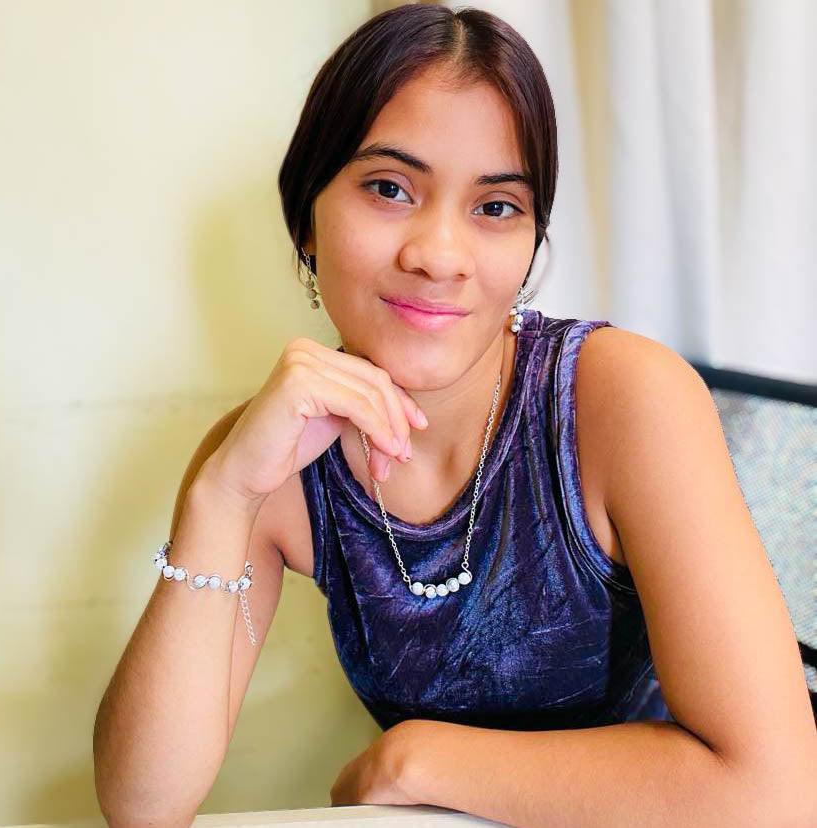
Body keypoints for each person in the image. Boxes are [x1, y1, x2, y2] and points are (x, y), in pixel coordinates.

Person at [93, 5, 817, 827]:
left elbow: (778, 792)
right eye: (389, 189)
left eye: (495, 206)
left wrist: (416, 758)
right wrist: (223, 495)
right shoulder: (274, 457)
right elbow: (142, 805)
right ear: (305, 219)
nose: (439, 256)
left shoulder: (620, 398)